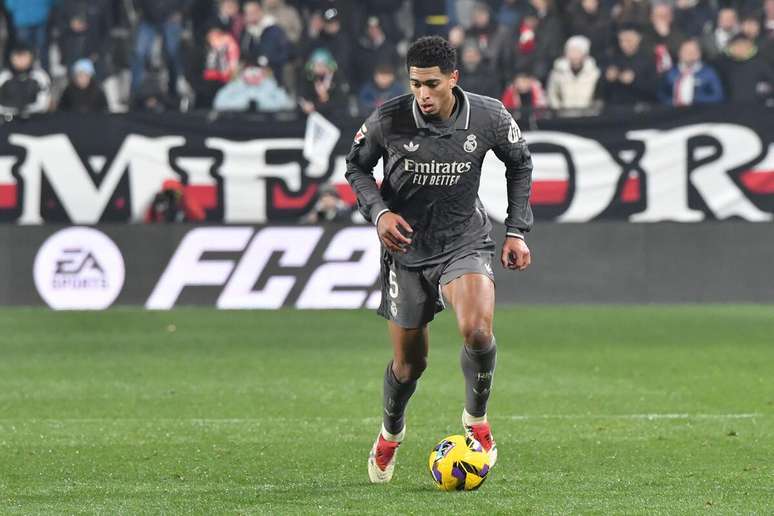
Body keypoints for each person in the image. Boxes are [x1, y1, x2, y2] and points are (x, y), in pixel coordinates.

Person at [345, 35, 533, 483]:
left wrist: (517, 230)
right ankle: (391, 432)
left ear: (453, 78)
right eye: (415, 84)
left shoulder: (488, 116)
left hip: (464, 241)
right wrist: (380, 213)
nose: (423, 95)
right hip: (407, 251)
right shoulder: (387, 120)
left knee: (478, 332)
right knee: (411, 365)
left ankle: (476, 421)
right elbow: (356, 168)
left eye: (431, 84)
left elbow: (519, 162)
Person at [546, 35, 601, 110]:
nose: (574, 55)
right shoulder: (557, 72)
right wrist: (558, 110)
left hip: (588, 117)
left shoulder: (594, 73)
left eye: (578, 51)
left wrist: (592, 112)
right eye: (571, 51)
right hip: (563, 116)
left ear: (585, 54)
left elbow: (598, 97)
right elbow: (552, 94)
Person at [0, 43, 51, 116]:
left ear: (31, 57)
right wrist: (13, 112)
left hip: (35, 119)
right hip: (7, 119)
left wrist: (26, 111)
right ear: (11, 58)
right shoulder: (3, 76)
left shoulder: (40, 76)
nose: (21, 61)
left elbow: (43, 103)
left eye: (24, 57)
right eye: (17, 57)